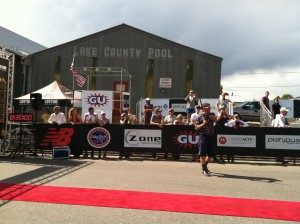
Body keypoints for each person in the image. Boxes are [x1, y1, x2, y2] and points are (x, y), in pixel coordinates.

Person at [194, 103, 220, 176]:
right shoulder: (199, 117)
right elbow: (196, 128)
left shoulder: (212, 114)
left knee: (211, 155)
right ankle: (205, 169)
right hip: (203, 136)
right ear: (203, 108)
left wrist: (208, 115)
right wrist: (203, 124)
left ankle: (204, 166)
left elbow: (216, 119)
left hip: (211, 136)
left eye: (209, 107)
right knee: (202, 154)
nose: (209, 108)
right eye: (207, 107)